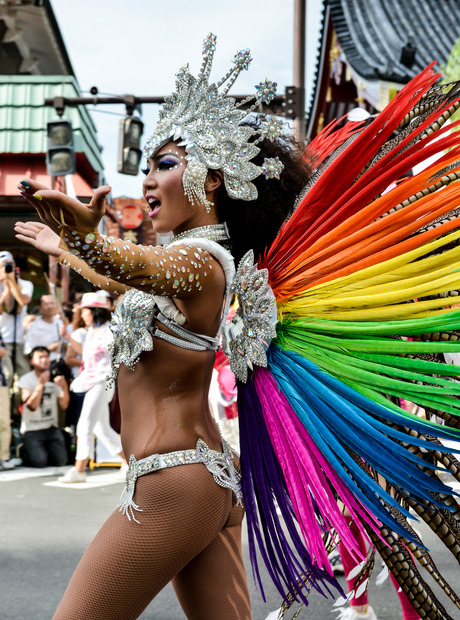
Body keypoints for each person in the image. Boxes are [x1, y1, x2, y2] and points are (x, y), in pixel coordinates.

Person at [13, 35, 460, 620]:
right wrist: (68, 251)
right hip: (202, 481)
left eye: (166, 165)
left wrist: (85, 239)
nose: (148, 180)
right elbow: (129, 283)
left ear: (214, 179)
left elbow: (131, 264)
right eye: (146, 167)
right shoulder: (180, 270)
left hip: (171, 485)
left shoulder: (203, 262)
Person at [58, 291, 127, 483]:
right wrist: (68, 337)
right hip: (94, 381)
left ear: (95, 311)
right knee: (101, 428)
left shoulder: (110, 331)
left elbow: (117, 354)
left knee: (85, 424)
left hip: (102, 382)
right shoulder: (92, 332)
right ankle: (129, 462)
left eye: (85, 311)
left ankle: (79, 469)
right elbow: (86, 354)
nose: (82, 314)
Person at [17, 346, 69, 468]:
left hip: (51, 428)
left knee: (61, 461)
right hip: (32, 429)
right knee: (39, 462)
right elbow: (31, 406)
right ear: (31, 361)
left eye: (46, 357)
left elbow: (64, 404)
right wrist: (41, 383)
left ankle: (44, 451)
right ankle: (24, 449)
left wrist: (64, 386)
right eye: (40, 357)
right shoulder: (26, 379)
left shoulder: (55, 376)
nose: (44, 360)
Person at [0, 251, 33, 386]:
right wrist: (6, 286)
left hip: (20, 339)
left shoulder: (25, 284)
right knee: (6, 378)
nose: (7, 268)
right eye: (3, 265)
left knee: (24, 378)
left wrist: (12, 281)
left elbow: (23, 300)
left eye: (10, 264)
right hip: (2, 340)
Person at [24, 294, 64, 361]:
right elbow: (28, 352)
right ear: (39, 307)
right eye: (46, 304)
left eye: (52, 303)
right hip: (43, 365)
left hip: (60, 364)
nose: (50, 306)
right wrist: (48, 349)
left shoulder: (59, 323)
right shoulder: (35, 325)